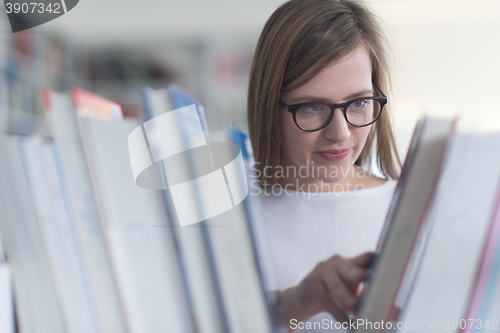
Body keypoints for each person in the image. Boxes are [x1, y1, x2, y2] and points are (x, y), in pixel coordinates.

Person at [246, 0, 402, 332]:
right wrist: (294, 305)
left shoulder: (407, 211)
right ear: (269, 106)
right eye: (313, 107)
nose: (340, 133)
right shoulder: (231, 219)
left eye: (359, 102)